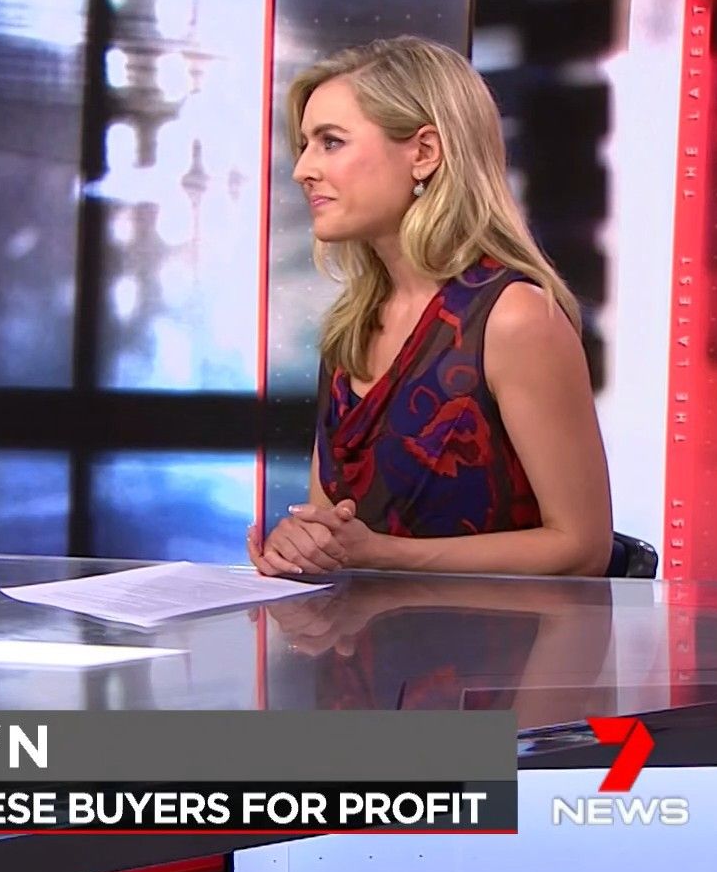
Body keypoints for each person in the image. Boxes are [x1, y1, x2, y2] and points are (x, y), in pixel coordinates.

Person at [249, 36, 612, 579]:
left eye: (330, 142)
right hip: (362, 633)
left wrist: (385, 556)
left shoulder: (513, 317)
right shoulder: (350, 326)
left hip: (496, 635)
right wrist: (302, 547)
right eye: (305, 145)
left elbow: (582, 548)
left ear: (424, 153)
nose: (302, 169)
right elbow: (336, 530)